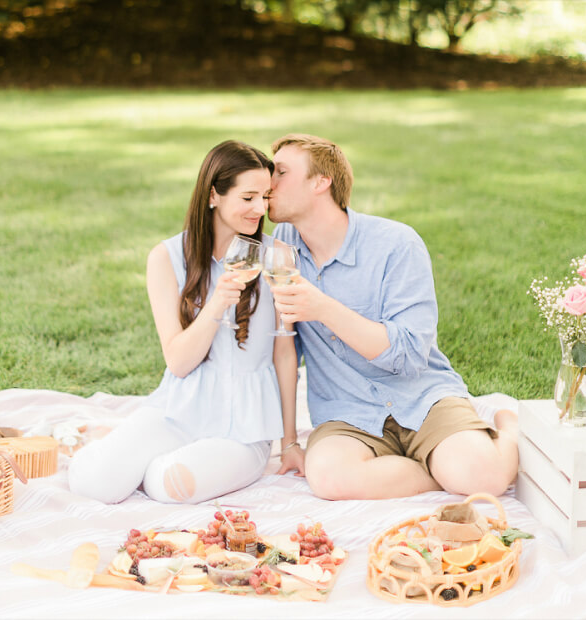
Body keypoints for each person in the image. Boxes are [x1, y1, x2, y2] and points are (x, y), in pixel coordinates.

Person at [268, 133, 519, 500]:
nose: (267, 182)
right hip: (346, 413)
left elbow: (409, 355)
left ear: (321, 182)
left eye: (281, 172)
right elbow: (283, 346)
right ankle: (443, 469)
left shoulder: (395, 244)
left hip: (422, 397)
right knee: (327, 478)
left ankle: (506, 429)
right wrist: (289, 441)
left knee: (486, 479)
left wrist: (322, 308)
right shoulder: (282, 247)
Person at [68, 140, 300, 504]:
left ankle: (140, 462)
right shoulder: (166, 258)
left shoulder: (277, 256)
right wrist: (218, 301)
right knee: (95, 484)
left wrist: (290, 443)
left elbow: (285, 355)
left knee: (171, 483)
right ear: (213, 196)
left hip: (243, 428)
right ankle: (106, 450)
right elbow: (178, 361)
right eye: (248, 198)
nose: (260, 209)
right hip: (179, 411)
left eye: (265, 197)